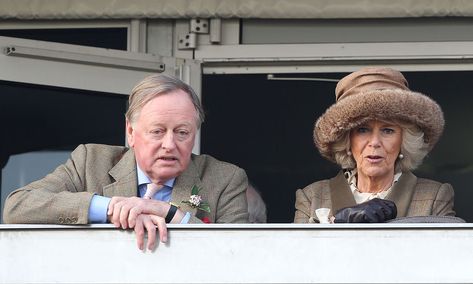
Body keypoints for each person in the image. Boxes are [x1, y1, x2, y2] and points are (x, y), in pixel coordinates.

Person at [3, 73, 249, 249]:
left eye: (182, 132)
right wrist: (110, 209)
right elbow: (18, 206)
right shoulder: (91, 161)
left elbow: (238, 254)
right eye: (157, 131)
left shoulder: (225, 178)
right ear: (130, 133)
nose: (170, 144)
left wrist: (170, 213)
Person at [294, 66, 455, 223]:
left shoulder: (435, 196)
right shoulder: (312, 196)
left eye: (388, 130)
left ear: (404, 141)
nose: (375, 143)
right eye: (363, 130)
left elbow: (446, 248)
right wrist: (337, 222)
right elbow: (296, 250)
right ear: (347, 140)